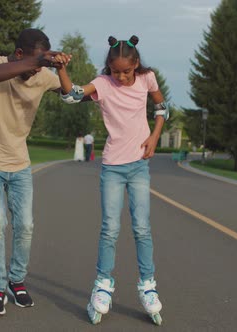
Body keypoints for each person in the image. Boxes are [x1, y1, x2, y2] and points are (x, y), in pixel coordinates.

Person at [56, 35, 168, 325]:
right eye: (115, 71)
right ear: (109, 68)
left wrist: (154, 137)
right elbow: (72, 95)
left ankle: (148, 285)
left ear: (136, 65)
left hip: (139, 165)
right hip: (113, 168)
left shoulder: (147, 79)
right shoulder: (103, 84)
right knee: (110, 229)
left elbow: (161, 108)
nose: (121, 76)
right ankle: (103, 285)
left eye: (126, 72)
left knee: (142, 228)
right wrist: (61, 70)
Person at [0, 28, 70, 316]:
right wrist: (39, 60)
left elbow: (69, 93)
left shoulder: (42, 76)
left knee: (25, 225)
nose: (37, 69)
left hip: (19, 162)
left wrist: (60, 67)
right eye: (33, 61)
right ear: (18, 55)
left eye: (40, 64)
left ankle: (17, 281)